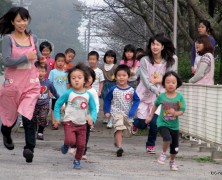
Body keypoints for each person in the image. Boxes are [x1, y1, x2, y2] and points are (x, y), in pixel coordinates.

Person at [0, 7, 41, 163]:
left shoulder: (33, 38)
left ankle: (29, 148)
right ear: (12, 22)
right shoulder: (8, 39)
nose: (22, 23)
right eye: (18, 20)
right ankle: (5, 131)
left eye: (24, 20)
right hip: (13, 85)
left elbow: (35, 57)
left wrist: (39, 60)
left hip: (30, 84)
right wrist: (26, 57)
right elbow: (7, 61)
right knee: (11, 119)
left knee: (28, 116)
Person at [133, 34, 176, 154]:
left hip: (158, 97)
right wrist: (155, 89)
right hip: (143, 94)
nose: (155, 47)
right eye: (153, 44)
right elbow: (145, 81)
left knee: (154, 122)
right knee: (142, 123)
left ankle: (150, 145)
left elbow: (170, 79)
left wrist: (159, 81)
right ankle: (135, 124)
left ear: (162, 46)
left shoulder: (168, 62)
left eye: (157, 44)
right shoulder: (144, 60)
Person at [53, 63, 97, 169]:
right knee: (71, 141)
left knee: (81, 146)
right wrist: (57, 117)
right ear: (70, 81)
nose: (76, 80)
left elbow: (93, 108)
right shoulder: (68, 93)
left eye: (79, 78)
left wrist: (92, 118)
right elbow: (58, 104)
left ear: (85, 80)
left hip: (82, 124)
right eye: (73, 78)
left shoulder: (88, 95)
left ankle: (77, 160)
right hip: (69, 122)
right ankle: (65, 145)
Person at [146, 71, 186, 171]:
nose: (170, 84)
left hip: (174, 125)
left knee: (175, 149)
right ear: (164, 84)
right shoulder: (162, 96)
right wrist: (150, 116)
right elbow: (155, 105)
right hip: (162, 123)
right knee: (167, 138)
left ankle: (172, 161)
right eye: (168, 82)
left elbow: (182, 110)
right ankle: (163, 154)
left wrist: (175, 113)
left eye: (173, 82)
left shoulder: (179, 97)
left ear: (177, 84)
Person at [104, 65, 140, 157]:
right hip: (116, 113)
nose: (121, 77)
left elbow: (137, 100)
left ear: (128, 77)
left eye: (124, 75)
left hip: (127, 114)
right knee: (119, 128)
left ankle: (117, 141)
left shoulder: (131, 90)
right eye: (119, 75)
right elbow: (107, 99)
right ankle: (119, 147)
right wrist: (107, 111)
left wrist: (133, 110)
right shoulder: (113, 89)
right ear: (116, 77)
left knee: (127, 132)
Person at [33, 65, 59, 140]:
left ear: (45, 72)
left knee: (43, 117)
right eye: (38, 71)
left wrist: (60, 100)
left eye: (42, 71)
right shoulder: (33, 82)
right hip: (34, 104)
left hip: (44, 104)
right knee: (33, 118)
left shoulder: (48, 83)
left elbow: (54, 92)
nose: (40, 73)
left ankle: (40, 132)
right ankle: (34, 131)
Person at [82, 67, 99, 159]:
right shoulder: (77, 89)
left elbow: (96, 105)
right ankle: (75, 147)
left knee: (85, 134)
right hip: (76, 116)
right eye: (85, 77)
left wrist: (93, 117)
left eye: (89, 77)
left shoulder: (93, 92)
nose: (87, 80)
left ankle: (83, 151)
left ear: (93, 79)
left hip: (88, 118)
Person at [48, 53, 68, 130]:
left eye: (62, 61)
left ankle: (66, 121)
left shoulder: (66, 73)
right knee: (54, 108)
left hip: (64, 94)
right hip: (55, 94)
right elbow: (50, 83)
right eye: (59, 61)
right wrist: (49, 92)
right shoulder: (53, 72)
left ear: (64, 62)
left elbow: (68, 84)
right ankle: (54, 122)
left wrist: (68, 92)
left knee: (65, 108)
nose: (60, 63)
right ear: (55, 62)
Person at [101, 50, 118, 128]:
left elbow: (117, 77)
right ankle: (106, 115)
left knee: (113, 102)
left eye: (112, 57)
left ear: (114, 58)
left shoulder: (115, 67)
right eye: (108, 57)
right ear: (105, 58)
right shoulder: (102, 67)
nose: (110, 59)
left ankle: (112, 117)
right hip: (104, 85)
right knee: (105, 101)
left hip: (113, 85)